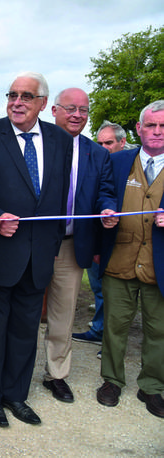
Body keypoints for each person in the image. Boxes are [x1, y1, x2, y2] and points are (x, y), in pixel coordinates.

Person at [0, 72, 72, 428]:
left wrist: (54, 243)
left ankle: (16, 395)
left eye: (26, 96)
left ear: (43, 103)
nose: (17, 101)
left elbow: (58, 196)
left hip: (40, 255)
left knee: (26, 331)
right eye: (12, 94)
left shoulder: (61, 140)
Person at [42, 88, 117, 403]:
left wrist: (108, 208)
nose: (77, 115)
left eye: (84, 110)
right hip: (31, 242)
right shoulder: (36, 144)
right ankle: (9, 374)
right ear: (54, 110)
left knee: (63, 312)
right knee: (20, 309)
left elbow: (106, 190)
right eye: (70, 108)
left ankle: (55, 374)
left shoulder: (96, 153)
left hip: (73, 245)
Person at [96, 100, 164, 419]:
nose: (157, 131)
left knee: (159, 329)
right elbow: (105, 192)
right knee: (114, 326)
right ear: (139, 129)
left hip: (159, 265)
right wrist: (107, 210)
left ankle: (152, 386)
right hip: (119, 258)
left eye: (163, 126)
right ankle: (111, 380)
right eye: (150, 125)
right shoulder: (120, 160)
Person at [74, 120, 128, 346]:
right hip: (96, 237)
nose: (104, 147)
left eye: (109, 142)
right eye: (100, 143)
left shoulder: (128, 166)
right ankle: (99, 329)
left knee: (115, 293)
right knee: (98, 287)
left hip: (122, 240)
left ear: (122, 142)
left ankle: (108, 337)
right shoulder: (95, 162)